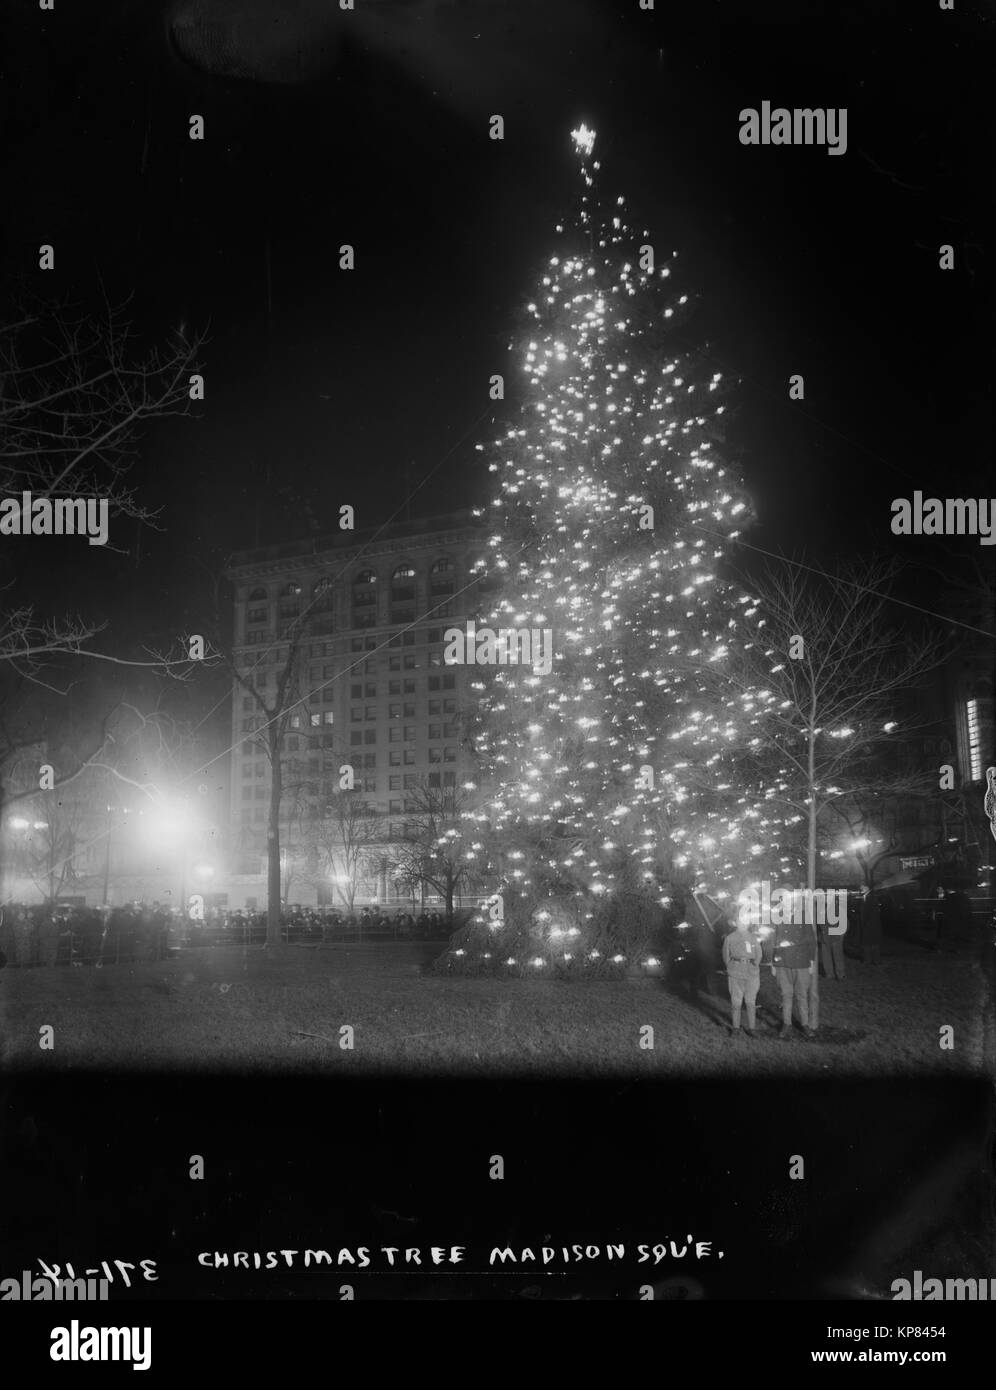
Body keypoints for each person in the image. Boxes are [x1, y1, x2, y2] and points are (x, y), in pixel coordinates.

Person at [769, 917, 817, 1038]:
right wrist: (773, 962)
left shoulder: (804, 917)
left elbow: (811, 940)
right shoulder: (777, 918)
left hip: (801, 963)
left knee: (802, 995)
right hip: (782, 963)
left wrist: (811, 961)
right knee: (786, 995)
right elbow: (772, 941)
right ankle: (786, 1024)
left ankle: (805, 1024)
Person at [721, 913, 763, 1037]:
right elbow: (725, 954)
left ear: (748, 923)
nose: (743, 924)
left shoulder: (753, 938)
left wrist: (755, 964)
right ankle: (736, 1028)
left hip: (751, 973)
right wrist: (730, 965)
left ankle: (752, 1028)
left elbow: (759, 953)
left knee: (750, 1001)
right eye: (740, 921)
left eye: (745, 921)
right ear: (736, 923)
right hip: (736, 972)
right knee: (736, 1002)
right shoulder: (730, 938)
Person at [862, 888, 882, 964]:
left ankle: (871, 960)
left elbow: (872, 913)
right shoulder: (869, 897)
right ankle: (872, 960)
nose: (860, 888)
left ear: (867, 888)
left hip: (871, 925)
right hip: (870, 925)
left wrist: (865, 922)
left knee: (871, 943)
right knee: (871, 943)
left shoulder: (871, 897)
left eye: (862, 886)